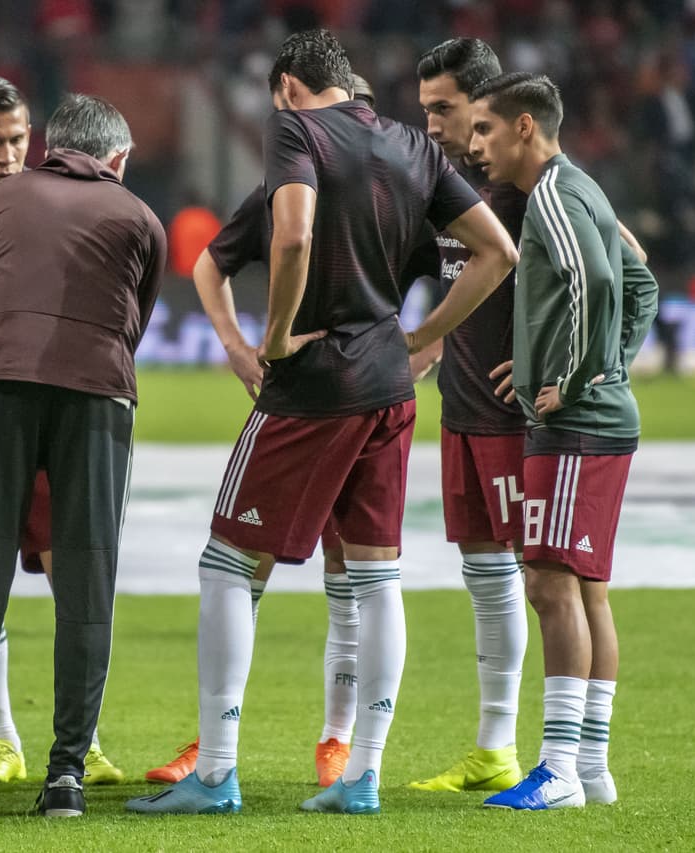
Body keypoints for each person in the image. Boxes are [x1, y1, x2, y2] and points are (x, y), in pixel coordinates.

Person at [127, 29, 517, 817]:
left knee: (227, 563)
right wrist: (421, 335)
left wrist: (271, 338)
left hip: (315, 382)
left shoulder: (294, 130)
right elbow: (497, 251)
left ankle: (217, 771)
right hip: (388, 386)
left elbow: (295, 233)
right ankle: (362, 775)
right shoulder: (414, 145)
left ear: (287, 88)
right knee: (375, 577)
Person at [0, 93, 166, 819]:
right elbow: (135, 319)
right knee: (87, 583)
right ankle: (66, 778)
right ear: (117, 157)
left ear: (51, 146)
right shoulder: (140, 216)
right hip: (99, 392)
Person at [143, 70, 390, 791]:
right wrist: (234, 343)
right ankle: (215, 740)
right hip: (302, 390)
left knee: (348, 573)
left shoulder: (396, 188)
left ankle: (337, 741)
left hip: (364, 393)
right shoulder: (290, 187)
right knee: (247, 566)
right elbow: (210, 263)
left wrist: (426, 339)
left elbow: (465, 258)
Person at [469, 72, 657, 811]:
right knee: (586, 590)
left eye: (484, 128)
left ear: (524, 127)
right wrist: (598, 366)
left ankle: (558, 772)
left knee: (549, 584)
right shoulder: (585, 188)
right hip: (599, 417)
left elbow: (596, 283)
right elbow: (641, 283)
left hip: (575, 426)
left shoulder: (551, 193)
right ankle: (591, 764)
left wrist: (576, 377)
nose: (475, 145)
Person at [405, 37, 532, 795]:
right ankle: (494, 749)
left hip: (519, 422)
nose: (430, 124)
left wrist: (576, 369)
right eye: (424, 109)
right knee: (485, 576)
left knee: (548, 585)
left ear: (483, 105)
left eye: (443, 109)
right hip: (463, 412)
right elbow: (452, 281)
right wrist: (426, 351)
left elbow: (627, 268)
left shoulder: (529, 185)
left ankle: (567, 753)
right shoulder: (446, 185)